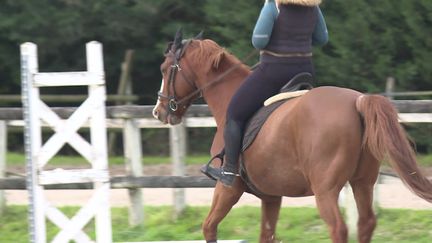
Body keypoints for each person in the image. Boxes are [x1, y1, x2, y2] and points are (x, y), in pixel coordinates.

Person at [201, 0, 328, 187]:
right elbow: (322, 39)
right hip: (305, 71)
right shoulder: (313, 7)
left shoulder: (273, 5)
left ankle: (228, 170)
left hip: (274, 71)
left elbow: (258, 40)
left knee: (234, 113)